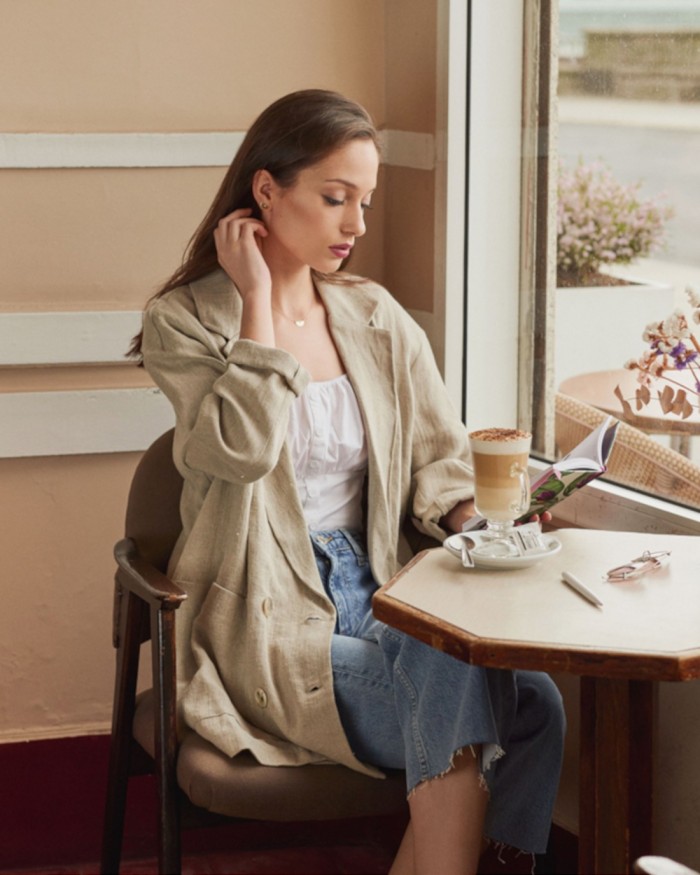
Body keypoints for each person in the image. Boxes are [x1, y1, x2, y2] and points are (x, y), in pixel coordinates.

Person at [132, 89, 564, 875]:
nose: (356, 225)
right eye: (335, 198)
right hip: (267, 615)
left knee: (539, 704)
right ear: (267, 191)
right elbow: (238, 449)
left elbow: (437, 456)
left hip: (380, 589)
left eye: (363, 201)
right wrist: (259, 300)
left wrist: (475, 519)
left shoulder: (375, 314)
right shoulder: (187, 321)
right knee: (469, 702)